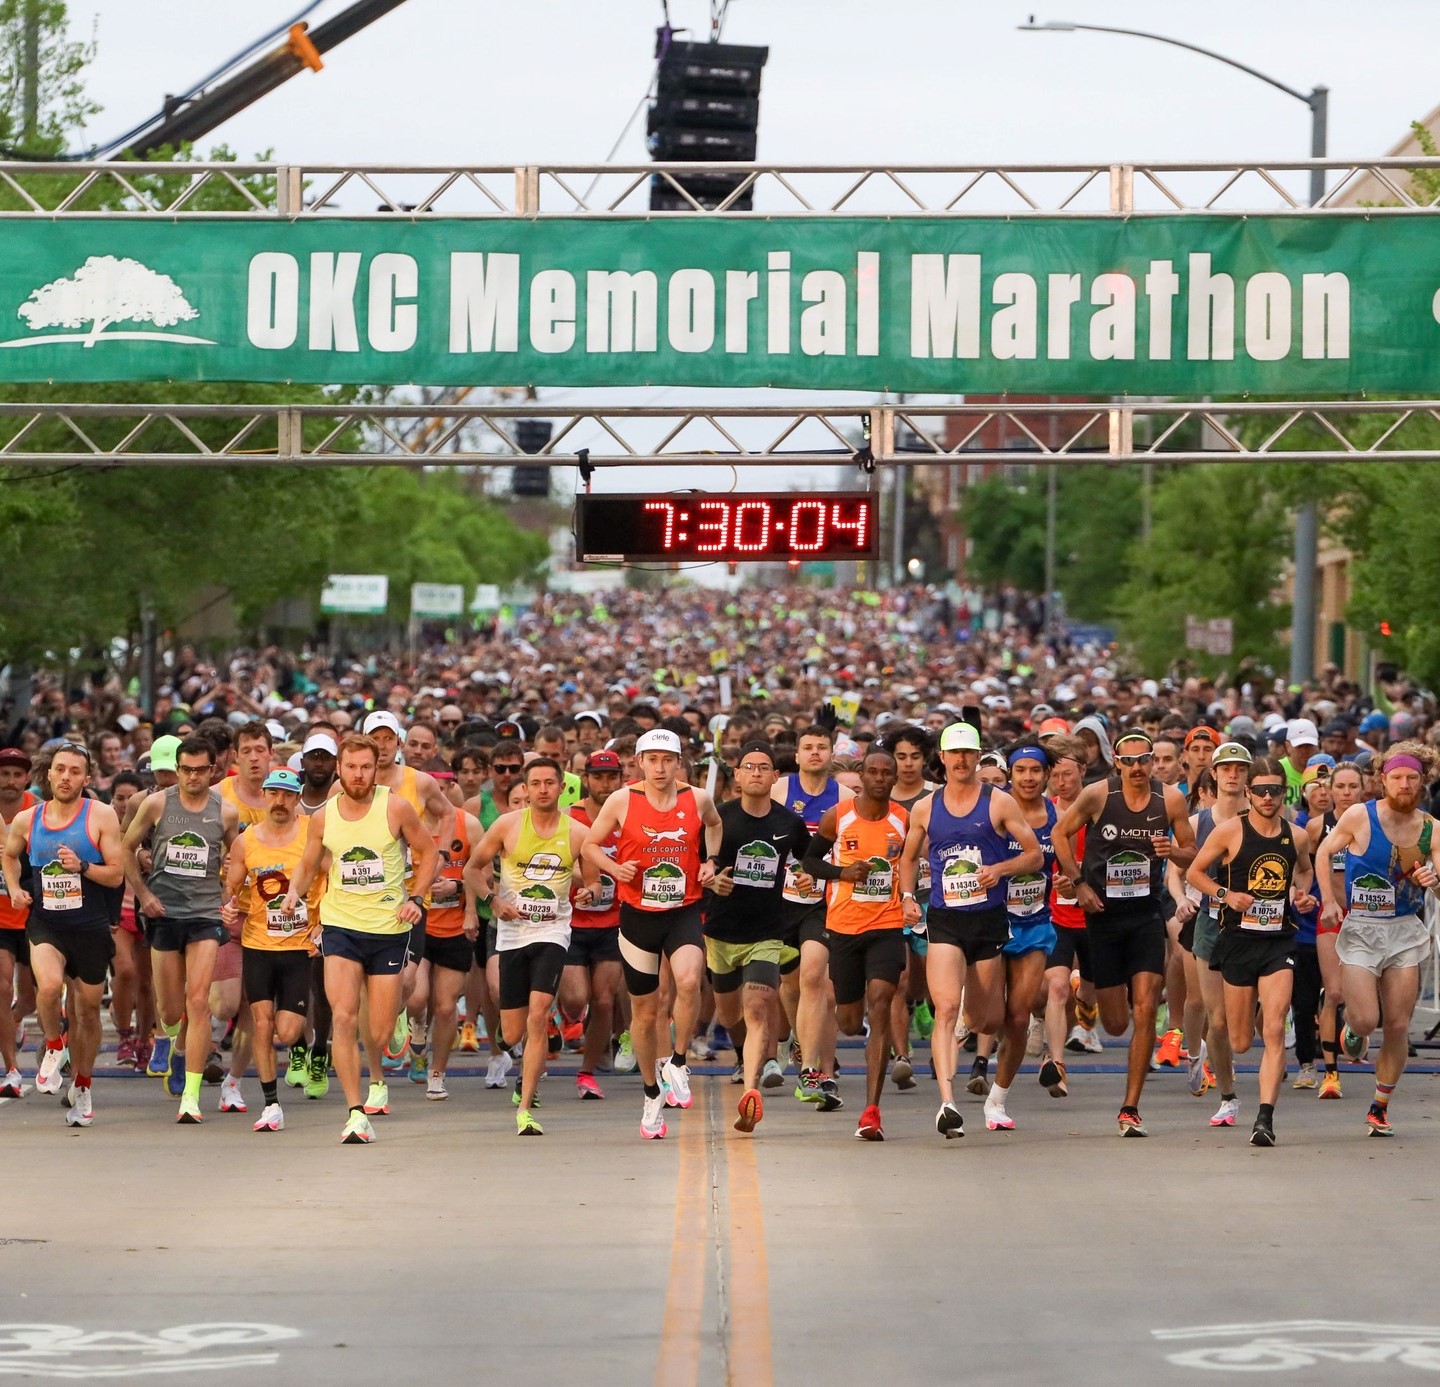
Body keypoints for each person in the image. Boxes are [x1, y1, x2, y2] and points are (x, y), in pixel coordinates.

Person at [282, 733, 438, 1145]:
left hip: (387, 929)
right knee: (344, 1016)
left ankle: (394, 1021)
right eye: (350, 766)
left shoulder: (396, 807)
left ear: (376, 768)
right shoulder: (324, 815)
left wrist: (417, 899)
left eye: (365, 767)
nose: (358, 774)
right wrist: (294, 891)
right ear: (339, 768)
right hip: (340, 927)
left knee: (380, 1031)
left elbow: (429, 853)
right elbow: (309, 862)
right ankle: (355, 1112)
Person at [899, 721, 1043, 1141]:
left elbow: (1033, 854)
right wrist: (908, 897)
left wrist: (1000, 868)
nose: (962, 761)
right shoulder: (925, 808)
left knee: (987, 1019)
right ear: (941, 759)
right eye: (954, 753)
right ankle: (947, 1103)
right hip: (945, 919)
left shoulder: (999, 803)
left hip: (988, 921)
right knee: (943, 1009)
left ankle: (969, 1014)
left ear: (977, 758)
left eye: (969, 753)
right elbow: (908, 858)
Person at [580, 727, 721, 1141]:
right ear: (638, 763)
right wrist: (613, 869)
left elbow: (713, 825)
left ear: (679, 763)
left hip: (683, 909)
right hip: (638, 914)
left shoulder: (697, 798)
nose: (660, 768)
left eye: (668, 760)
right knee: (645, 1011)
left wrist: (710, 861)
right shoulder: (623, 799)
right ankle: (650, 1093)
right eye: (652, 760)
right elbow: (589, 845)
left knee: (691, 980)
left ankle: (678, 1060)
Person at [1052, 731, 1196, 1137]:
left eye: (1144, 760)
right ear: (1117, 762)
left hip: (1146, 915)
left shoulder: (1169, 799)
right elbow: (1060, 834)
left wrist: (1173, 852)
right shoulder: (1098, 795)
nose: (1137, 768)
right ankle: (1088, 996)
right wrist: (1079, 883)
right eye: (1129, 761)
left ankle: (1130, 1107)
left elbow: (1192, 850)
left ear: (1152, 761)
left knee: (1147, 1007)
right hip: (1103, 915)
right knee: (1116, 1024)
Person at [1186, 757, 1318, 1147]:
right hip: (1237, 941)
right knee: (1240, 1039)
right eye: (1259, 790)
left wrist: (1300, 893)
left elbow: (1306, 870)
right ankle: (1261, 1004)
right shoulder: (1229, 831)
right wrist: (1226, 895)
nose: (1266, 797)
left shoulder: (1296, 836)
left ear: (1283, 793)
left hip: (1279, 940)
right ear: (1248, 793)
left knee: (1275, 1029)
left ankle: (1265, 1119)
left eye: (1274, 790)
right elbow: (1194, 872)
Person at [1317, 741, 1440, 1137]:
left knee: (1399, 1025)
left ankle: (1380, 1105)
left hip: (1404, 930)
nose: (1404, 784)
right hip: (1362, 929)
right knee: (1367, 1020)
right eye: (1397, 777)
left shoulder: (1433, 829)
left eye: (1412, 778)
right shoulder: (1359, 816)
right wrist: (1329, 904)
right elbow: (1323, 853)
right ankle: (1353, 1028)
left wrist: (1434, 881)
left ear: (1423, 782)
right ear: (1383, 780)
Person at [1, 743, 126, 1127]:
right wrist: (15, 888)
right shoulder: (28, 818)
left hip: (89, 926)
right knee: (49, 987)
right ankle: (54, 1045)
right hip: (46, 923)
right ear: (49, 775)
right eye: (60, 769)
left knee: (88, 1011)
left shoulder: (101, 815)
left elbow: (117, 874)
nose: (67, 777)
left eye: (75, 771)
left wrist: (84, 865)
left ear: (86, 779)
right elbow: (8, 854)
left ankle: (83, 1086)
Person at [465, 758, 591, 1135]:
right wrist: (493, 900)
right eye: (534, 783)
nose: (542, 789)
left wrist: (589, 890)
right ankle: (528, 1036)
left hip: (552, 932)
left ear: (560, 787)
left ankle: (525, 1106)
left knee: (537, 1014)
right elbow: (472, 869)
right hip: (512, 934)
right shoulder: (506, 826)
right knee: (513, 1031)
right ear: (526, 788)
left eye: (549, 783)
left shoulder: (577, 832)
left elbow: (594, 879)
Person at [123, 736, 241, 1123]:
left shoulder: (225, 811)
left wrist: (228, 893)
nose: (192, 776)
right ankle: (175, 1041)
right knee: (171, 1010)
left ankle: (190, 1096)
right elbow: (125, 848)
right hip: (163, 913)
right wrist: (143, 894)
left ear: (213, 770)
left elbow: (237, 855)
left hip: (205, 915)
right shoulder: (157, 804)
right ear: (177, 769)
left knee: (198, 1001)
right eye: (185, 769)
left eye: (199, 770)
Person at [804, 748, 909, 1141]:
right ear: (862, 776)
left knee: (881, 1000)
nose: (880, 779)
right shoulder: (839, 815)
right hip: (844, 927)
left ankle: (871, 1111)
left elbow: (914, 862)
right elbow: (810, 860)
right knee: (850, 1022)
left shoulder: (904, 819)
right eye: (873, 772)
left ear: (895, 780)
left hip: (887, 923)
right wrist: (842, 872)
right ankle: (861, 1033)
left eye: (887, 773)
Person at [705, 742, 810, 1134]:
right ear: (737, 776)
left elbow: (807, 858)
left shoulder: (787, 823)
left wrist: (807, 873)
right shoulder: (719, 821)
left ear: (774, 777)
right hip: (721, 933)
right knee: (731, 1015)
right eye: (748, 767)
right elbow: (699, 869)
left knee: (758, 1008)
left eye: (764, 768)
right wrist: (712, 881)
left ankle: (750, 1093)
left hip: (767, 932)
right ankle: (740, 1053)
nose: (756, 773)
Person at [222, 768, 325, 1132]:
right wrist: (230, 905)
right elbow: (231, 887)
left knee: (287, 1030)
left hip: (299, 946)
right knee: (262, 1025)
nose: (280, 802)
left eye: (287, 795)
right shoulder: (245, 841)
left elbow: (330, 875)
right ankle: (271, 1105)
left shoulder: (313, 832)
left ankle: (305, 1045)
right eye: (273, 794)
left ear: (298, 798)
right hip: (258, 943)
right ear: (264, 796)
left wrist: (321, 920)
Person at [772, 722, 853, 1111]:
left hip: (824, 901)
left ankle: (816, 1069)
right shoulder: (779, 791)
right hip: (780, 899)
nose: (815, 753)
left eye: (822, 746)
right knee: (790, 986)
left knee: (814, 976)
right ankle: (802, 1043)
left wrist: (821, 878)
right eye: (808, 747)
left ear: (832, 753)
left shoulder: (846, 797)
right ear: (798, 753)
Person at [983, 743, 1059, 1131]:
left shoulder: (1057, 817)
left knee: (1018, 1014)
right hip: (991, 922)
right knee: (988, 1017)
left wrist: (1067, 879)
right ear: (1009, 773)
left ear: (1047, 775)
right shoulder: (994, 810)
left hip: (1035, 923)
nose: (1028, 777)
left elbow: (1067, 862)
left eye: (1035, 770)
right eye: (1021, 770)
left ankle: (997, 1099)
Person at [561, 750, 625, 1101]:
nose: (605, 783)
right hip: (571, 922)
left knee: (604, 1000)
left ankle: (586, 1072)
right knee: (575, 998)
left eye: (611, 777)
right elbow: (558, 859)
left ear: (620, 778)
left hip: (612, 922)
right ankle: (566, 1016)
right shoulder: (570, 818)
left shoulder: (627, 816)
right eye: (598, 777)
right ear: (586, 779)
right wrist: (583, 880)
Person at [418, 798, 482, 1101]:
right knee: (416, 996)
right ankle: (417, 1025)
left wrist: (459, 892)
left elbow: (481, 872)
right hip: (416, 922)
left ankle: (437, 1074)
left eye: (442, 789)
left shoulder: (467, 824)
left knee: (445, 1007)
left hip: (454, 926)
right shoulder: (407, 819)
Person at [1307, 762, 1363, 1098]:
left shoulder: (1374, 823)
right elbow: (1304, 866)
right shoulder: (1317, 827)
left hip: (1368, 915)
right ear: (1329, 790)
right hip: (1331, 915)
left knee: (1361, 1001)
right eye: (1339, 787)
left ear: (1362, 788)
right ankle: (1330, 1073)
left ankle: (1357, 1030)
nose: (1345, 793)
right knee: (1335, 992)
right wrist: (1305, 894)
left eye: (1352, 786)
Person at [0, 747, 38, 1096]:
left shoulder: (36, 812)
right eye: (4, 773)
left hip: (31, 915)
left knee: (31, 998)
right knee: (1, 989)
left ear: (26, 778)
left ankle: (12, 1024)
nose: (10, 780)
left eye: (16, 774)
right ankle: (12, 1070)